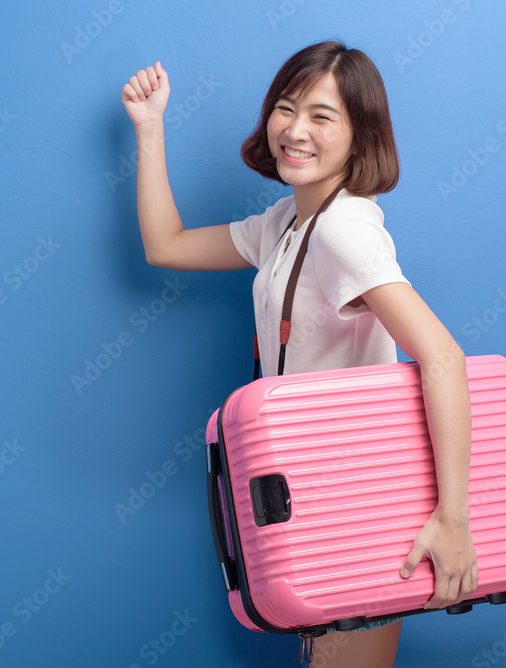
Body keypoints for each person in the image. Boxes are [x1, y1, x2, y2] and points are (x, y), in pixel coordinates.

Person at [120, 40, 478, 668]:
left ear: (360, 134)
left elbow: (442, 357)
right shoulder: (287, 221)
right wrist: (151, 129)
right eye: (286, 108)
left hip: (359, 493)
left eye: (322, 115)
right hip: (310, 487)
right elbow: (166, 245)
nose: (295, 129)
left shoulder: (345, 228)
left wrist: (453, 519)